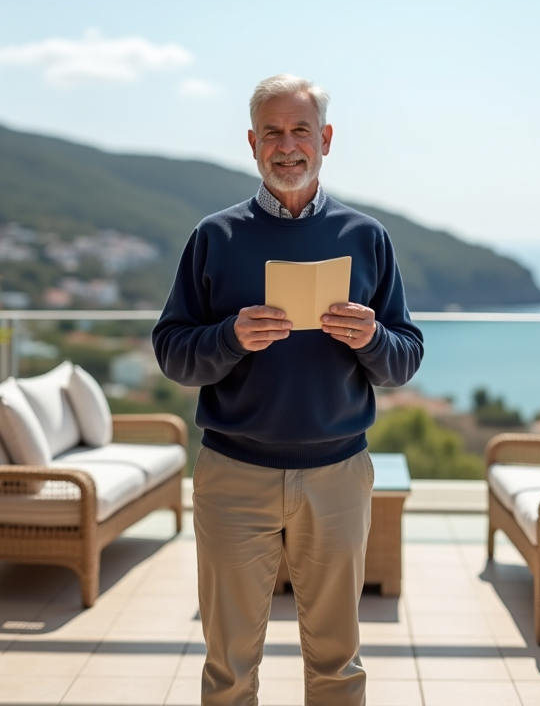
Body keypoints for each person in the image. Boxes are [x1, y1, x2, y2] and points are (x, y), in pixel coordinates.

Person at [152, 74, 424, 706]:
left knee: (337, 662)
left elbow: (404, 360)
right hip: (232, 474)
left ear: (325, 138)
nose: (287, 144)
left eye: (301, 129)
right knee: (228, 666)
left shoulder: (367, 238)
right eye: (272, 131)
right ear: (252, 144)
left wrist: (370, 338)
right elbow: (172, 352)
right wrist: (229, 336)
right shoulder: (214, 237)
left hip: (337, 475)